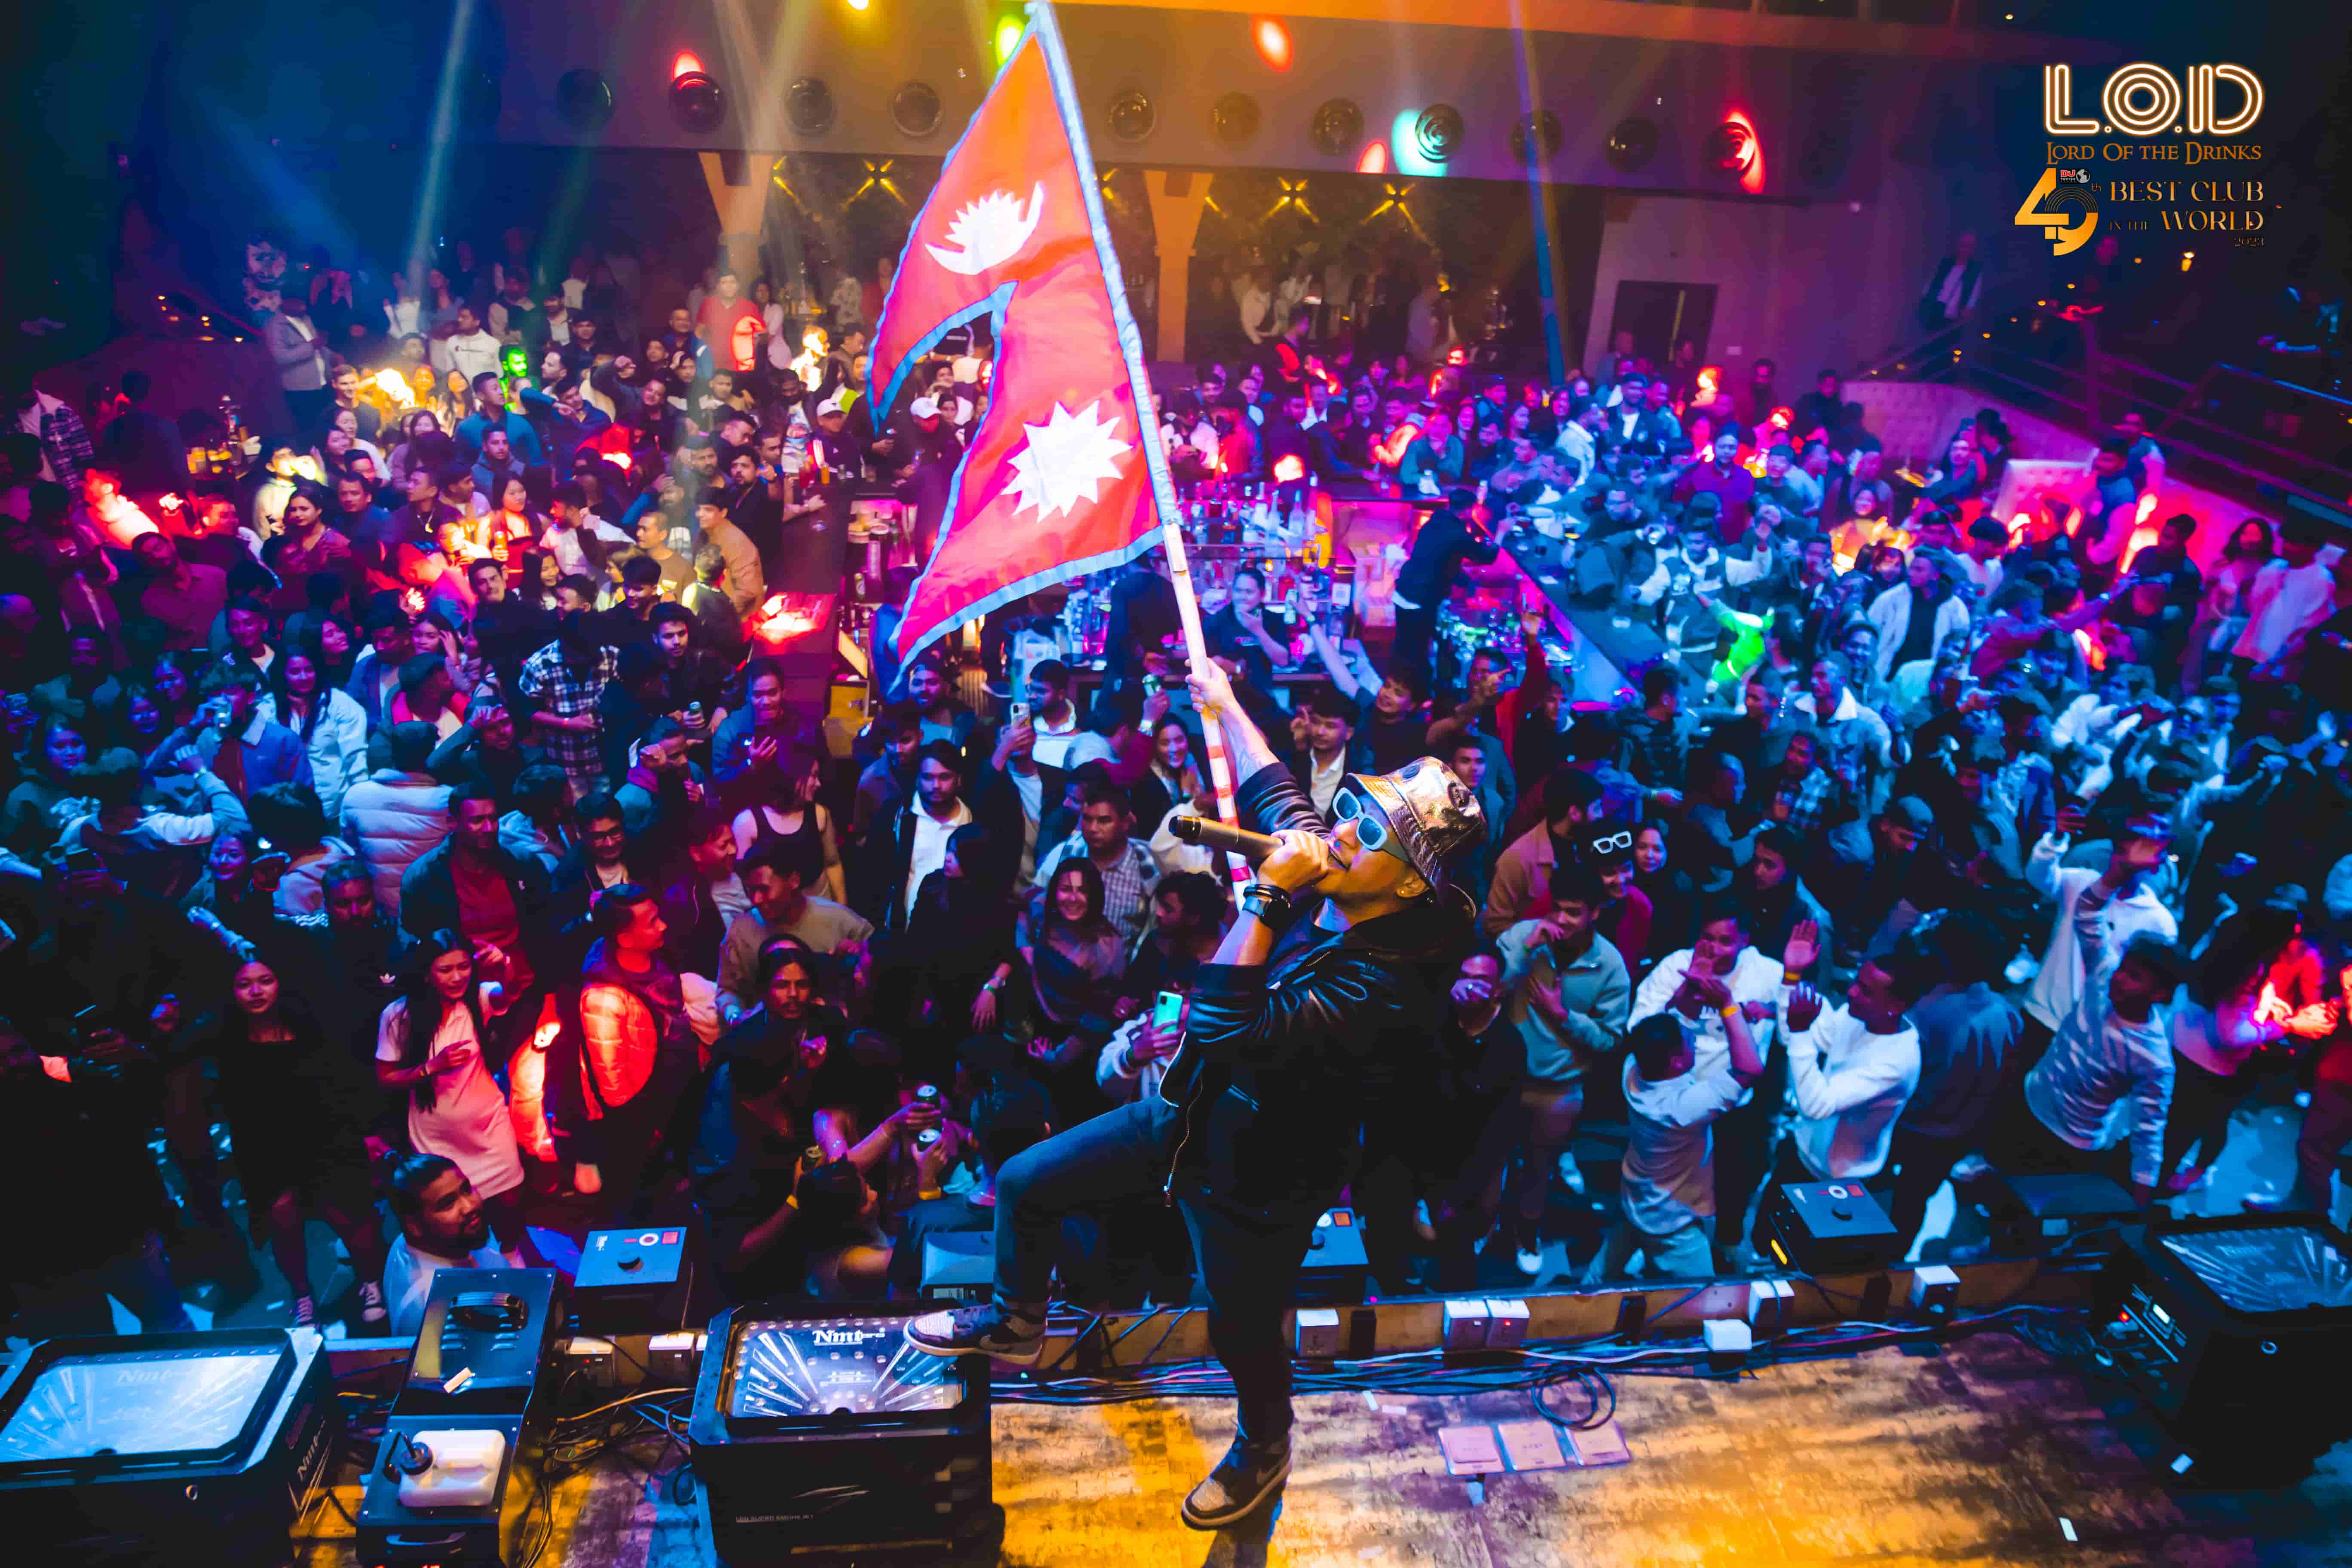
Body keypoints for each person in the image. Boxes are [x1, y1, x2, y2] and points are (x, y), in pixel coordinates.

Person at [906, 657, 1485, 1533]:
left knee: (1239, 1332)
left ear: (1409, 882)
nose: (1342, 830)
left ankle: (1263, 1444)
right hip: (1188, 1119)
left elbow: (1223, 1027)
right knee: (1025, 1183)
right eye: (1352, 808)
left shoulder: (1387, 983)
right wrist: (1224, 700)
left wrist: (1267, 897)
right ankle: (1017, 1321)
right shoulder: (1341, 866)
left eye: (1371, 830)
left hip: (1264, 1174)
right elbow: (1271, 787)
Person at [180, 957, 390, 1325]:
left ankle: (371, 1282)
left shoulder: (311, 1029)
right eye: (244, 984)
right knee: (283, 1221)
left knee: (348, 1217)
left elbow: (346, 1083)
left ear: (281, 984)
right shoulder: (224, 1038)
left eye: (265, 981)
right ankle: (303, 1296)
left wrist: (366, 1129)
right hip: (264, 1145)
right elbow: (177, 1052)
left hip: (325, 1136)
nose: (256, 991)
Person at [1992, 841, 2186, 1205]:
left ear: (2161, 994)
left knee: (2033, 1214)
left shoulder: (2154, 1058)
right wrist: (2118, 873)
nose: (2120, 978)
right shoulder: (2104, 972)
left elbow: (2148, 1132)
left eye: (2135, 977)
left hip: (2069, 1143)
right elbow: (2087, 911)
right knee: (2002, 1186)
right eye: (2125, 968)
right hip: (2031, 1101)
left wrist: (2139, 1201)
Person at [1492, 861, 1631, 1274]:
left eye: (1573, 912)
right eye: (1557, 908)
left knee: (1539, 1169)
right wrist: (1526, 949)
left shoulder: (1610, 965)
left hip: (1558, 1088)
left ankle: (1526, 1234)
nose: (1561, 919)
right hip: (1503, 1078)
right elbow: (1490, 990)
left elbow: (1611, 1040)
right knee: (1490, 1161)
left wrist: (1563, 1016)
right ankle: (1481, 1229)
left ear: (1595, 913)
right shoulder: (1522, 936)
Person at [374, 929, 531, 1262]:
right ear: (427, 974)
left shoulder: (476, 1000)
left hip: (488, 1125)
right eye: (445, 970)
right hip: (436, 1136)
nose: (457, 977)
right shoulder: (398, 1016)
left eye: (464, 967)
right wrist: (432, 1067)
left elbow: (513, 992)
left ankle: (510, 1252)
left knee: (510, 1196)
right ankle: (470, 1264)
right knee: (451, 1212)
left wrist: (505, 963)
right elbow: (385, 1078)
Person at [1584, 1004, 1770, 1284]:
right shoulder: (1683, 1108)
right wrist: (1727, 1005)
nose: (1695, 1039)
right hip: (1671, 1223)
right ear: (1676, 1063)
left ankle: (1583, 1299)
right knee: (1702, 1294)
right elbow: (1750, 1069)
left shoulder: (1632, 1070)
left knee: (1600, 1275)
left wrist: (1690, 997)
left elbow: (1657, 1029)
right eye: (1689, 1041)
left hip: (1636, 1197)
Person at [380, 1153, 507, 1336]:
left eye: (466, 1190)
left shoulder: (422, 1240)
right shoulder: (435, 1308)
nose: (469, 1206)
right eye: (448, 1204)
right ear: (414, 1226)